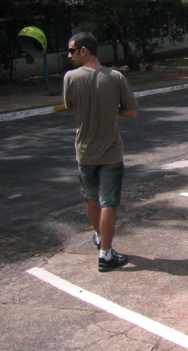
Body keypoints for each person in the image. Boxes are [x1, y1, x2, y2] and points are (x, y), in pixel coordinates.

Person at [63, 32, 138, 272]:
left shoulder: (71, 78)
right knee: (109, 203)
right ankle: (106, 254)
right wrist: (110, 111)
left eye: (72, 51)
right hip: (111, 151)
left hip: (85, 151)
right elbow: (132, 111)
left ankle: (98, 236)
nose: (69, 55)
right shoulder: (115, 77)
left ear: (84, 50)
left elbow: (70, 107)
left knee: (91, 197)